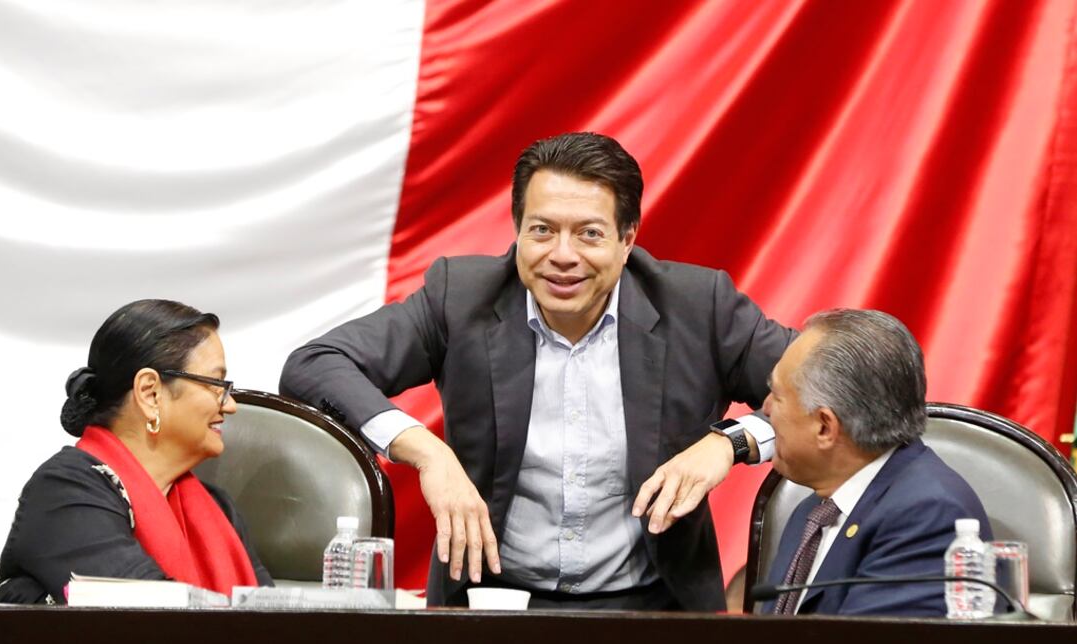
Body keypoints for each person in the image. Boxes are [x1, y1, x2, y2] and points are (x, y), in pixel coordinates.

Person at [281, 132, 795, 610]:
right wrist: (427, 452)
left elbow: (827, 389)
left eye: (589, 234)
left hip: (655, 606)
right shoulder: (459, 299)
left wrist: (728, 443)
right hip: (492, 603)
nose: (562, 256)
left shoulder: (698, 307)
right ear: (518, 232)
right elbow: (315, 365)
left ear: (627, 239)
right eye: (542, 231)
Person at [0, 300, 272, 604]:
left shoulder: (219, 507)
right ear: (150, 393)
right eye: (216, 384)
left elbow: (278, 620)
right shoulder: (65, 490)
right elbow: (149, 619)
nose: (230, 405)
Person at [759, 309, 990, 616]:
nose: (766, 408)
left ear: (825, 427)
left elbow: (871, 643)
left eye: (777, 395)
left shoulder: (927, 515)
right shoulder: (811, 512)